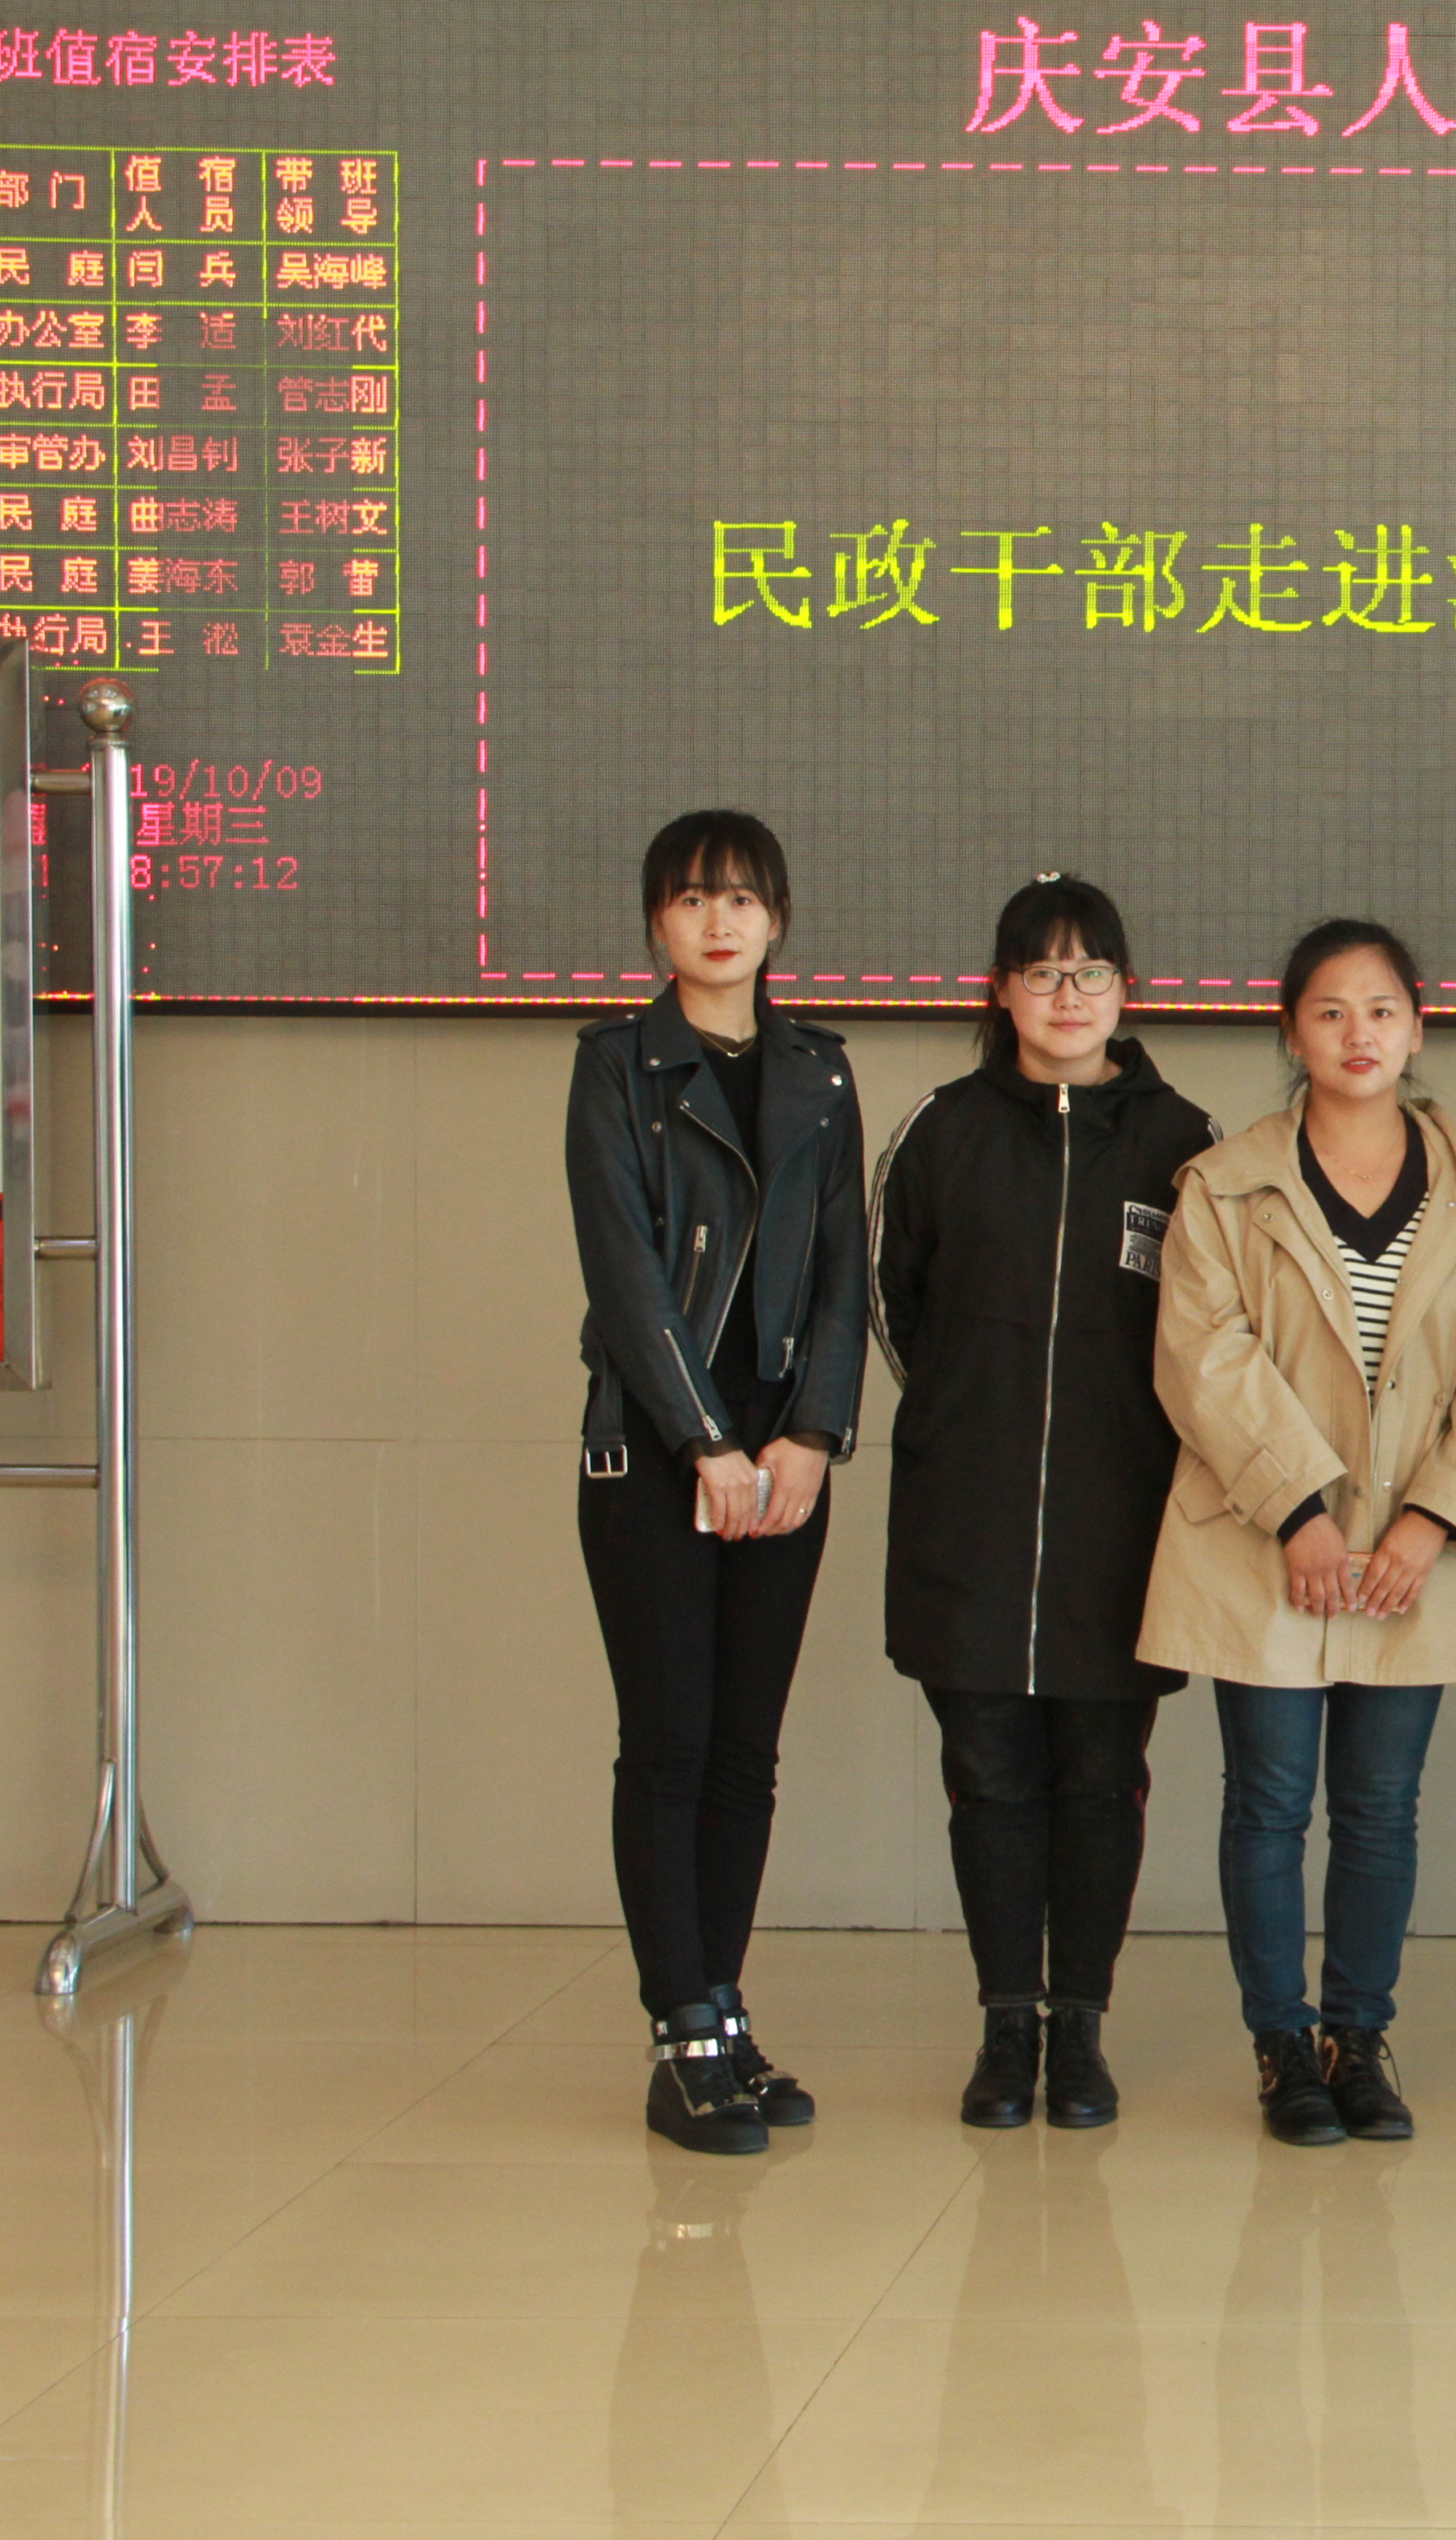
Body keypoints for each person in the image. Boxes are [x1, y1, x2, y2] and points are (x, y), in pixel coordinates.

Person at [1140, 919, 1456, 2146]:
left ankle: (1358, 2041)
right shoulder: (1224, 1183)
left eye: (1381, 1011)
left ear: (1418, 1027)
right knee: (1269, 1800)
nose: (1357, 1034)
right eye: (1329, 1012)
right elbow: (1201, 1356)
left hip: (1415, 1552)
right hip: (1264, 1536)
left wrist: (1431, 1522)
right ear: (1290, 1032)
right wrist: (1298, 1511)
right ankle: (1283, 2046)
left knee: (1381, 1807)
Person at [876, 874, 1218, 2134]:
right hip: (967, 1514)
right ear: (1001, 991)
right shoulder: (942, 1130)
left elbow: (1215, 1330)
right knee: (985, 1774)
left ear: (1127, 992)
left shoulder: (1186, 1140)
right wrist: (977, 1415)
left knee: (1102, 1775)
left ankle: (1079, 2027)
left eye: (1090, 973)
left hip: (1122, 1521)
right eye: (1041, 972)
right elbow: (895, 1305)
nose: (1067, 996)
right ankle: (1004, 2022)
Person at [565, 809, 868, 2158]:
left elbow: (847, 1270)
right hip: (658, 1448)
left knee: (748, 1748)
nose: (719, 920)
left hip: (785, 1449)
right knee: (671, 1741)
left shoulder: (821, 1071)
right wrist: (708, 1442)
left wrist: (812, 1436)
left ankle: (725, 2011)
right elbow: (626, 1276)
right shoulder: (614, 1067)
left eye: (742, 897)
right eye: (691, 898)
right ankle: (679, 2029)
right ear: (657, 924)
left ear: (778, 918)